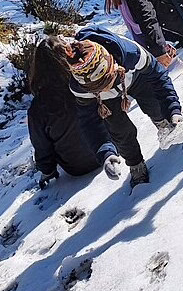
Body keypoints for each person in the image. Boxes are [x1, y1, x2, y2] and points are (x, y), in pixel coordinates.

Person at [68, 27, 183, 187]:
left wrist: (173, 110)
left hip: (135, 77)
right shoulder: (79, 87)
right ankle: (135, 164)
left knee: (153, 101)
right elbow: (89, 122)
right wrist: (106, 153)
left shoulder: (132, 54)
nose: (106, 88)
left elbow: (159, 78)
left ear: (112, 65)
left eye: (107, 82)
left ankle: (165, 124)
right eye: (98, 88)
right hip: (105, 101)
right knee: (119, 130)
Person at [28, 37, 123, 188]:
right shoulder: (85, 82)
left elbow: (42, 145)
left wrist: (47, 170)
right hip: (111, 147)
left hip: (77, 167)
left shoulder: (38, 107)